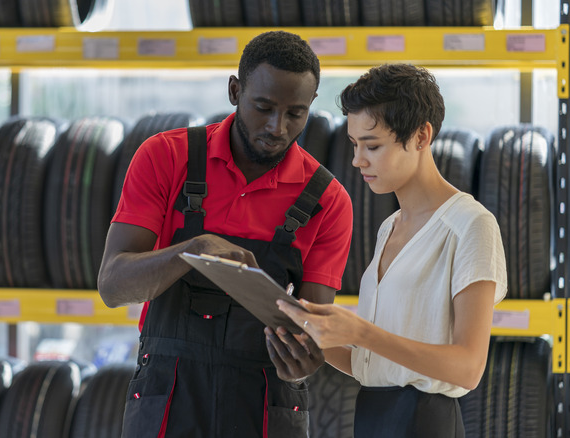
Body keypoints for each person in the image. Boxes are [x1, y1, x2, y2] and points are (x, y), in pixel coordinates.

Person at [97, 30, 353, 437]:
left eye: (295, 113)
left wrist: (307, 357)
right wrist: (191, 250)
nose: (277, 127)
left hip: (266, 401)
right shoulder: (165, 157)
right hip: (169, 392)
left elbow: (315, 327)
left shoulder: (327, 200)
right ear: (235, 91)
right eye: (263, 107)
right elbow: (112, 286)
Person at [277, 63, 507, 437]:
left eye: (373, 145)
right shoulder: (390, 227)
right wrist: (308, 333)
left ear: (421, 136)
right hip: (372, 414)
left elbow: (468, 367)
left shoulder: (471, 225)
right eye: (354, 145)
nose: (357, 160)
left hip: (425, 422)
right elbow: (376, 366)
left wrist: (362, 332)